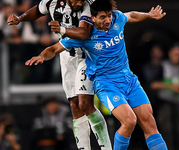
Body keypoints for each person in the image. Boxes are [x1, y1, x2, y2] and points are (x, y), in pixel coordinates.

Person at [25, 0, 168, 149]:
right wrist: (42, 56)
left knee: (150, 122)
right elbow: (54, 49)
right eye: (102, 17)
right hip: (107, 84)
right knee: (129, 121)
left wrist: (149, 15)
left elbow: (131, 15)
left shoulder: (117, 18)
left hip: (129, 80)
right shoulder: (84, 37)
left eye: (109, 16)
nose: (107, 20)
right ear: (93, 18)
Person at [7, 0, 112, 149]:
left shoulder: (89, 4)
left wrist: (62, 29)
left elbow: (84, 32)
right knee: (74, 106)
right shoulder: (52, 1)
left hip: (87, 57)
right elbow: (37, 10)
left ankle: (106, 147)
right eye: (76, 0)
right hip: (66, 57)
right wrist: (21, 18)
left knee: (85, 104)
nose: (79, 2)